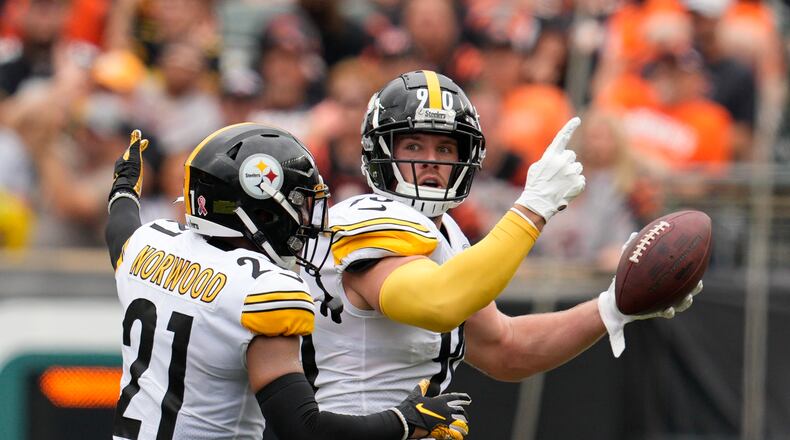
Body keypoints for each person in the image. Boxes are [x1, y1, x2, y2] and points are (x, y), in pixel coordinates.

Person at [302, 70, 704, 414]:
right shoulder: (362, 217)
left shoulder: (449, 235)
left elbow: (504, 349)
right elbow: (436, 302)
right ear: (380, 152)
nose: (432, 160)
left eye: (445, 147)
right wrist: (532, 210)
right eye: (414, 145)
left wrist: (613, 307)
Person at [104, 123, 473, 440]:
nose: (304, 217)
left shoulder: (149, 244)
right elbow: (304, 429)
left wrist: (123, 189)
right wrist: (403, 421)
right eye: (297, 202)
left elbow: (119, 228)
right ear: (261, 210)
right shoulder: (261, 290)